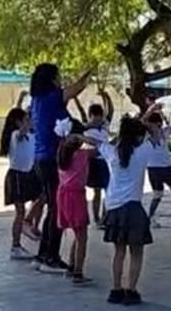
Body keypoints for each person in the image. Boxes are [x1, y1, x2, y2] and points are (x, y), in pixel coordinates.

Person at [80, 116, 156, 305]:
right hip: (134, 207)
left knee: (119, 251)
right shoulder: (143, 151)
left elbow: (96, 142)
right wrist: (145, 122)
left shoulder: (112, 152)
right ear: (139, 136)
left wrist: (78, 137)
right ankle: (131, 290)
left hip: (114, 207)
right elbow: (157, 134)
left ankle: (116, 289)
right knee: (136, 252)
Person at [28, 62, 92, 273]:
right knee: (57, 209)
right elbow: (77, 88)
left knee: (53, 208)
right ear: (51, 79)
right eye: (58, 76)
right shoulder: (51, 97)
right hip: (49, 159)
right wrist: (87, 74)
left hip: (40, 159)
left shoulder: (37, 100)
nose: (60, 79)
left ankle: (42, 255)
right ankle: (51, 258)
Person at [0, 107, 40, 260]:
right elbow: (20, 134)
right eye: (26, 120)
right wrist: (28, 113)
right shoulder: (15, 135)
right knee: (20, 211)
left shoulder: (31, 136)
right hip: (17, 175)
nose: (30, 122)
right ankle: (16, 246)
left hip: (29, 174)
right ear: (19, 122)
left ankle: (28, 221)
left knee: (43, 196)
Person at [55, 133, 93, 285]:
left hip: (63, 193)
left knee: (77, 233)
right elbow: (97, 147)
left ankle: (72, 265)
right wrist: (83, 138)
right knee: (82, 236)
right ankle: (78, 272)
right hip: (76, 196)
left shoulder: (62, 156)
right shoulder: (81, 155)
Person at [83, 103, 113, 227]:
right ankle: (96, 219)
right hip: (92, 161)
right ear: (90, 116)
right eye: (95, 116)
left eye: (100, 116)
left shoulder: (104, 127)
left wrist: (106, 97)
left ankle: (105, 217)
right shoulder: (87, 130)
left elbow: (111, 110)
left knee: (109, 190)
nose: (98, 119)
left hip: (103, 161)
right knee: (97, 191)